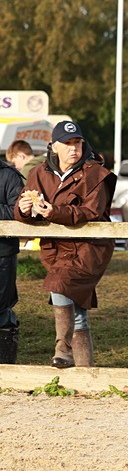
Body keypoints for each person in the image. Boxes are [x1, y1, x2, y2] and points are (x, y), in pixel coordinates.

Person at [14, 121, 117, 368]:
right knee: (78, 313)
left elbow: (91, 211)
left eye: (77, 143)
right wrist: (24, 209)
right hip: (56, 248)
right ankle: (85, 373)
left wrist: (54, 212)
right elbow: (23, 208)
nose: (74, 149)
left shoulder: (97, 174)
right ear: (55, 147)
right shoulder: (38, 173)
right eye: (68, 144)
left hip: (89, 248)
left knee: (58, 284)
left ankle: (63, 350)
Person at [0, 151, 23, 362]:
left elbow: (19, 211)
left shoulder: (9, 175)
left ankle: (5, 365)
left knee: (1, 308)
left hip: (3, 254)